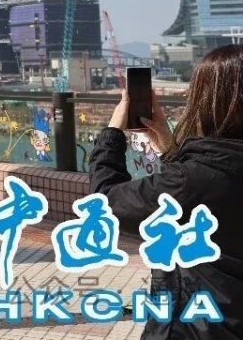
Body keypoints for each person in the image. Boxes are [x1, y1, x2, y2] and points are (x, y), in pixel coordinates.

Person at [89, 45, 243, 339]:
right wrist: (171, 150)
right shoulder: (195, 179)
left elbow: (106, 203)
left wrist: (112, 133)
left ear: (208, 102)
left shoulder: (191, 181)